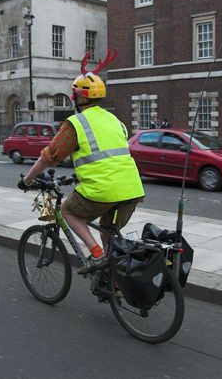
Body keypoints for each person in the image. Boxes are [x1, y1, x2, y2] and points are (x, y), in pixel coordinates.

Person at [18, 65, 145, 274]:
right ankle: (115, 280)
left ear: (77, 97)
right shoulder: (115, 120)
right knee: (108, 232)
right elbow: (109, 157)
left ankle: (96, 254)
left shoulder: (76, 123)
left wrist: (28, 180)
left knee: (67, 210)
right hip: (132, 190)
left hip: (103, 190)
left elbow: (48, 157)